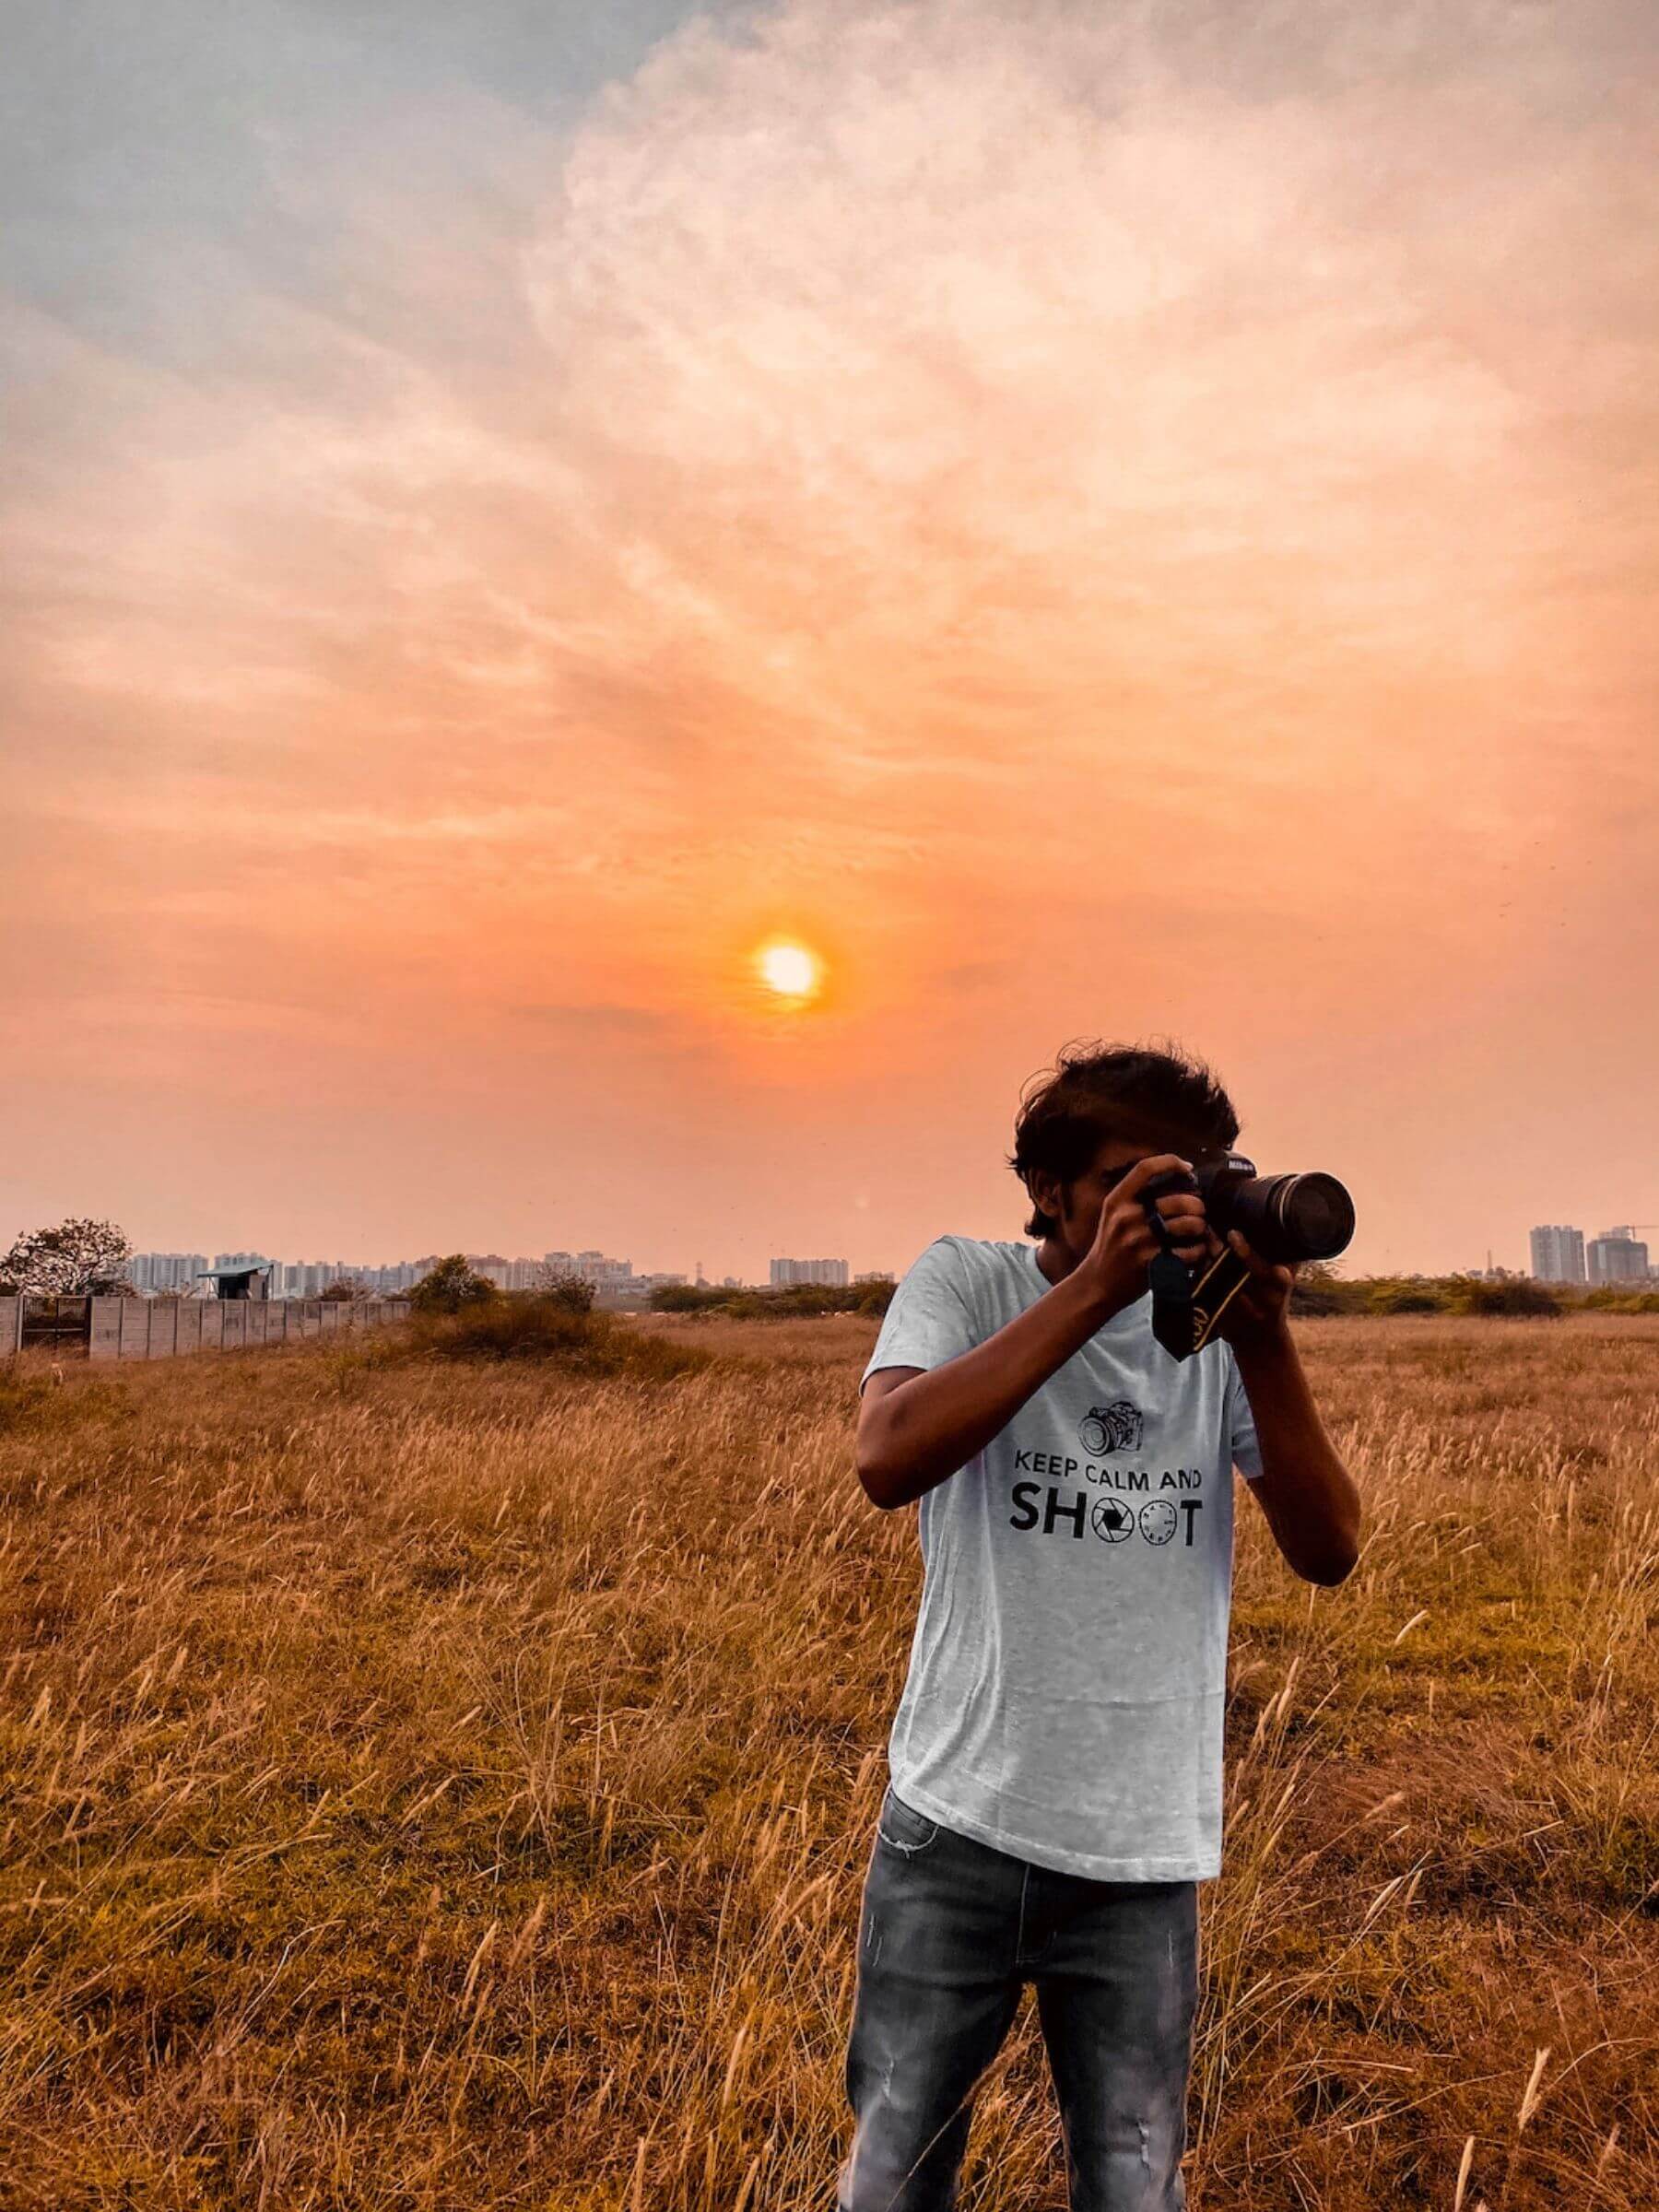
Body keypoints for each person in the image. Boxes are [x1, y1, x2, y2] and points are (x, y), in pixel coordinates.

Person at [838, 1041, 1361, 2212]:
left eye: (1203, 1180)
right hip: (958, 1823)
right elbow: (886, 1458)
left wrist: (1262, 1332)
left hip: (1141, 1848)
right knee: (895, 2175)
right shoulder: (969, 1281)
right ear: (1048, 1190)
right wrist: (1093, 1293)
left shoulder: (1214, 1331)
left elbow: (1328, 1549)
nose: (1174, 1209)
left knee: (1133, 2185)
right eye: (1138, 1182)